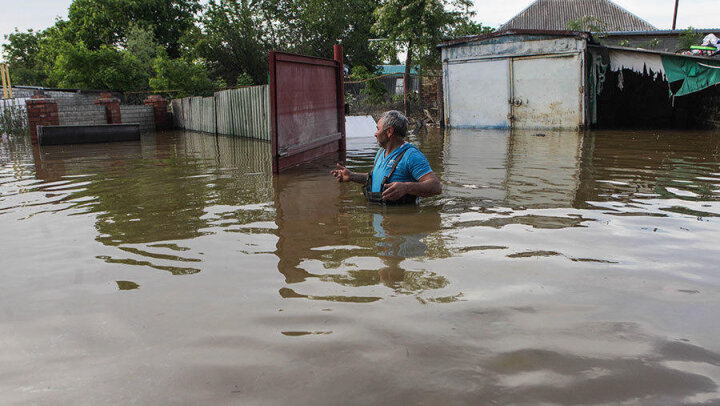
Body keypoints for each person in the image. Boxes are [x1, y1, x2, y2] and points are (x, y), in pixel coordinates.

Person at [331, 110, 441, 204]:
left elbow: (436, 186)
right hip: (380, 219)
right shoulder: (380, 152)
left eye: (378, 129)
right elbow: (377, 179)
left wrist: (406, 187)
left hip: (399, 223)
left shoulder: (411, 156)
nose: (375, 133)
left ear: (389, 131)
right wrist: (351, 176)